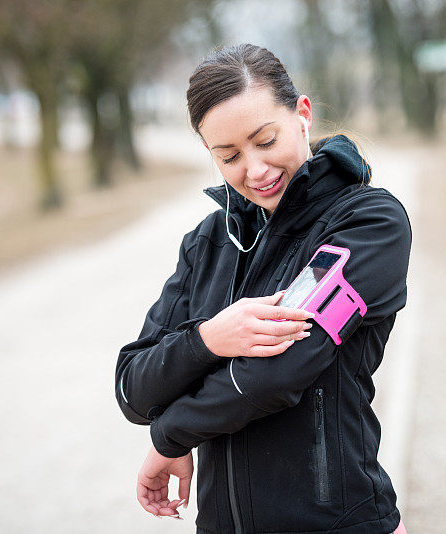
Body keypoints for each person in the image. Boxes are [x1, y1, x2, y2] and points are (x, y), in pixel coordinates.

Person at [114, 43, 411, 534]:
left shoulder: (367, 225)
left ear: (302, 115)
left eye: (266, 140)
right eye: (228, 156)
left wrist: (169, 437)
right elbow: (132, 388)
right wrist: (209, 338)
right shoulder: (208, 241)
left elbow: (275, 373)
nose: (254, 170)